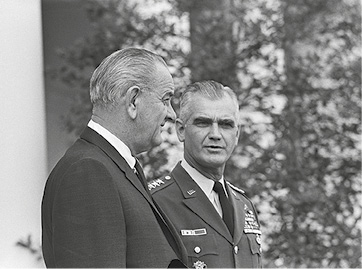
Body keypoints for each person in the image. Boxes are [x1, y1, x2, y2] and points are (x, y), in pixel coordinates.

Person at [41, 48, 187, 268]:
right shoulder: (88, 172)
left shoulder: (115, 167)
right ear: (133, 100)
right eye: (165, 100)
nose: (172, 114)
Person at [150, 80, 262, 268]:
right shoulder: (156, 202)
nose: (215, 134)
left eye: (226, 124)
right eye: (203, 123)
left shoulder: (245, 205)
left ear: (237, 134)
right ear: (181, 130)